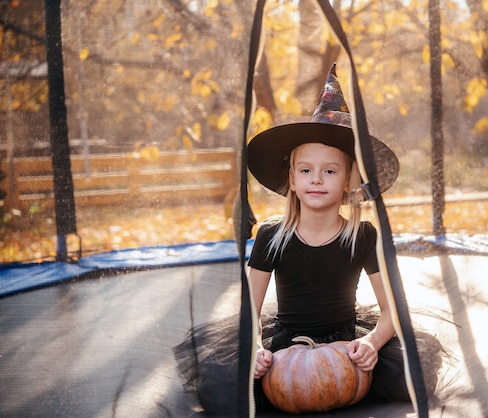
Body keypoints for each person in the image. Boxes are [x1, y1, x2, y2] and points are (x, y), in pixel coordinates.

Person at [173, 64, 445, 414]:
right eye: (306, 170)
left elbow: (393, 307)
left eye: (330, 170)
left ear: (348, 180)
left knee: (406, 377)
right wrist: (255, 347)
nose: (316, 179)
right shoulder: (272, 236)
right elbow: (250, 310)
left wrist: (373, 342)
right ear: (293, 177)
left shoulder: (362, 235)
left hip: (347, 341)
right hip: (285, 343)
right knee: (224, 388)